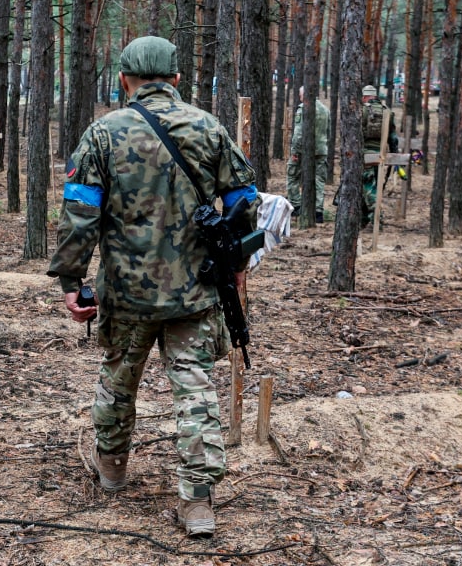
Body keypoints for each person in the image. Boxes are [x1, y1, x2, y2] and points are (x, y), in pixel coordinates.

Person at [47, 36, 259, 538]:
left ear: (124, 80)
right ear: (177, 80)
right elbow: (245, 201)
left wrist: (71, 282)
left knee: (119, 383)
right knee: (195, 391)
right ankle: (198, 502)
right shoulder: (209, 129)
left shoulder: (102, 134)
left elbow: (80, 215)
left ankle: (112, 470)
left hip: (127, 294)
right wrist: (238, 266)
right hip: (196, 292)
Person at [287, 87, 330, 222]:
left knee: (293, 175)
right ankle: (318, 211)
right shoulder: (325, 110)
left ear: (303, 95)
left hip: (304, 150)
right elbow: (327, 131)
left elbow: (299, 133)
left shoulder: (303, 109)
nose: (299, 98)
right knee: (319, 180)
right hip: (321, 150)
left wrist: (294, 151)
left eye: (300, 95)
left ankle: (296, 205)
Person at [359, 85, 398, 227]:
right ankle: (363, 220)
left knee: (368, 187)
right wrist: (393, 155)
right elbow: (393, 138)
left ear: (364, 97)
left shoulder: (362, 110)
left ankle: (377, 216)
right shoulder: (387, 111)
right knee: (372, 187)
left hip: (364, 155)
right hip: (380, 155)